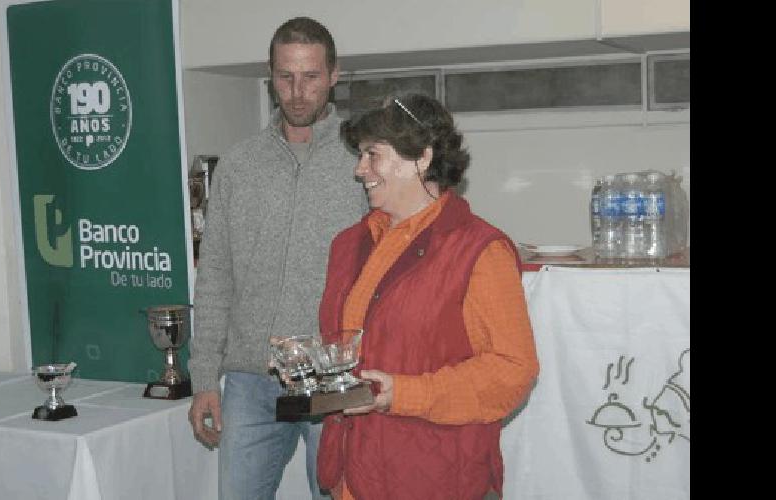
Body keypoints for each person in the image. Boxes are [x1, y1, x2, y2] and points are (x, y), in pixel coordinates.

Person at [314, 93, 540, 500]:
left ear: (421, 157)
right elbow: (351, 345)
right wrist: (308, 362)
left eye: (372, 155)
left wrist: (404, 394)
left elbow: (513, 371)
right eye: (361, 156)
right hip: (352, 477)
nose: (359, 169)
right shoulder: (348, 245)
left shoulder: (479, 250)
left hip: (434, 479)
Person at [186, 16, 369, 500]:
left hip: (335, 384)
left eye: (311, 76)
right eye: (286, 77)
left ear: (334, 75)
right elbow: (216, 276)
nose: (298, 91)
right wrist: (204, 377)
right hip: (250, 381)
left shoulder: (366, 162)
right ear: (271, 78)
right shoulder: (240, 165)